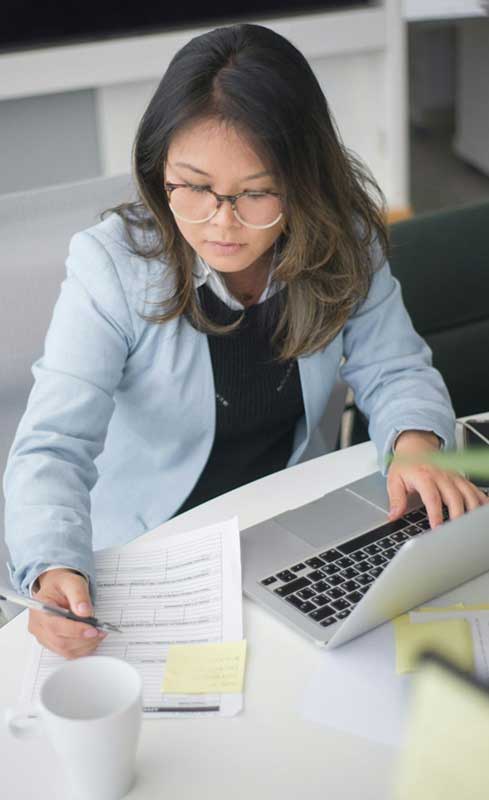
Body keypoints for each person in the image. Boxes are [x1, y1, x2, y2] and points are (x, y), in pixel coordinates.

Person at [3, 24, 487, 659]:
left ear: (303, 180)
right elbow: (54, 445)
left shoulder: (341, 240)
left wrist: (416, 442)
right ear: (159, 170)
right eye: (194, 187)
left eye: (256, 193)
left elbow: (394, 367)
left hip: (289, 526)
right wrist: (50, 565)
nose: (221, 223)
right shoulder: (111, 266)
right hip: (157, 551)